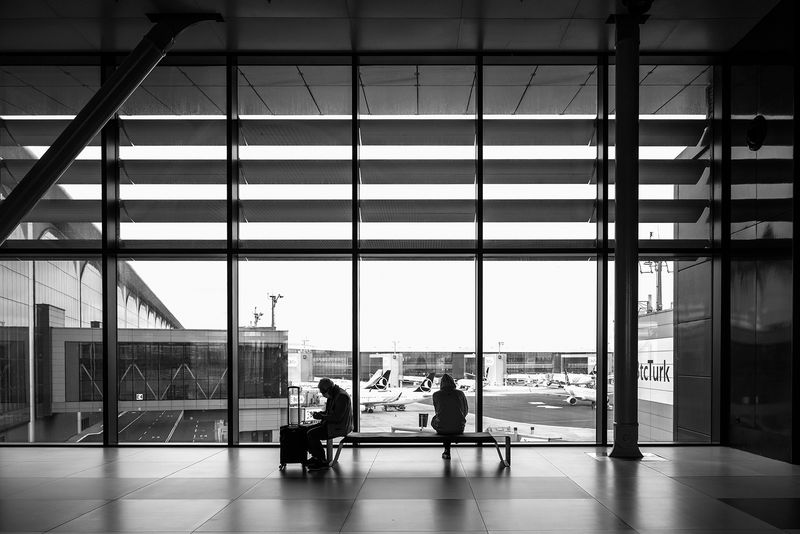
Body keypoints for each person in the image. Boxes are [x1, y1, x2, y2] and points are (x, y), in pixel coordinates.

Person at [305, 377, 353, 470]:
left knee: (311, 434)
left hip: (339, 427)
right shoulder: (334, 395)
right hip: (332, 424)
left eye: (323, 391)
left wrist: (321, 417)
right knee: (306, 430)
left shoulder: (341, 397)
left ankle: (321, 460)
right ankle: (316, 457)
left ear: (329, 389)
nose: (323, 394)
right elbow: (331, 413)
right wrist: (321, 414)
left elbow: (337, 418)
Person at [431, 373, 468, 459]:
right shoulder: (460, 393)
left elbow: (438, 411)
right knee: (450, 422)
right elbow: (465, 410)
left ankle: (447, 450)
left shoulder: (436, 395)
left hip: (442, 428)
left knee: (440, 421)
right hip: (458, 427)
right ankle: (451, 443)